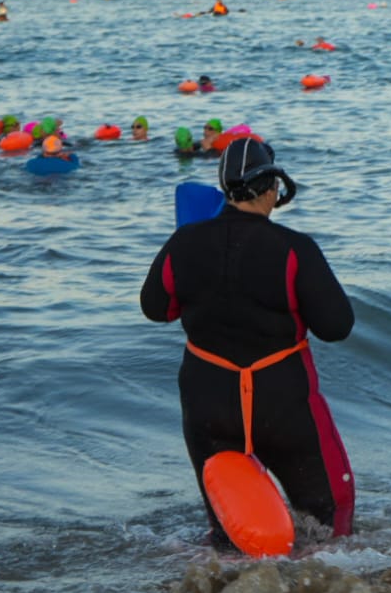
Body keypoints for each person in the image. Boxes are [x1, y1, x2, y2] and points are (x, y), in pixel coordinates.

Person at [140, 137, 356, 542]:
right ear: (274, 188)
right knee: (330, 519)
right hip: (283, 406)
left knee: (230, 529)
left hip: (210, 406)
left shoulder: (183, 243)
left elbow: (156, 309)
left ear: (226, 189)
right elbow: (336, 326)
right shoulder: (295, 249)